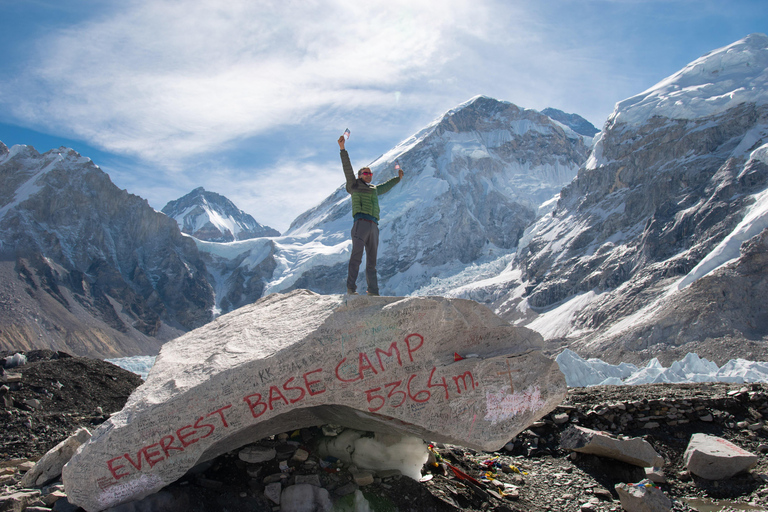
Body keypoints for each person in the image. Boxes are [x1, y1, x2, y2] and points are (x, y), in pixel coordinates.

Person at [338, 134, 404, 296]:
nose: (369, 175)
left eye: (370, 174)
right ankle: (351, 289)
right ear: (359, 175)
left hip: (374, 226)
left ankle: (373, 291)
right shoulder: (354, 185)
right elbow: (347, 169)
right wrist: (342, 149)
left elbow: (385, 187)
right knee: (356, 257)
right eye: (366, 173)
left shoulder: (373, 189)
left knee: (372, 262)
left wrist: (397, 179)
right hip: (360, 223)